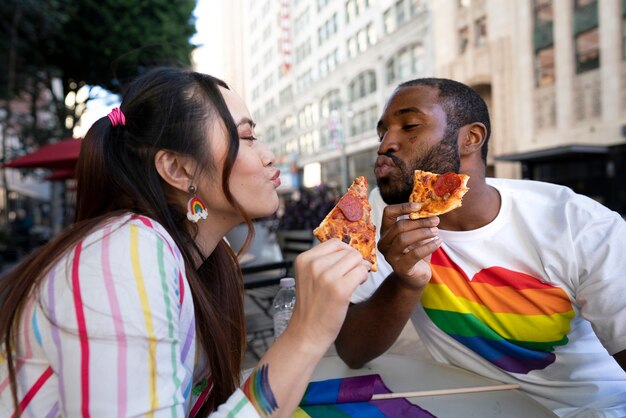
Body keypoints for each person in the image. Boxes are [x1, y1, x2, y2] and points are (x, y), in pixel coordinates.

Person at [0, 67, 371, 417]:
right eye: (246, 137)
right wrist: (306, 332)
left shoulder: (207, 259)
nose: (268, 154)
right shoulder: (121, 258)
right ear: (178, 169)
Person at [334, 78, 626, 416]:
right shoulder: (383, 216)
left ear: (471, 138)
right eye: (381, 133)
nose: (386, 145)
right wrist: (405, 281)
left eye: (409, 125)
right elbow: (353, 351)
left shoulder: (579, 225)